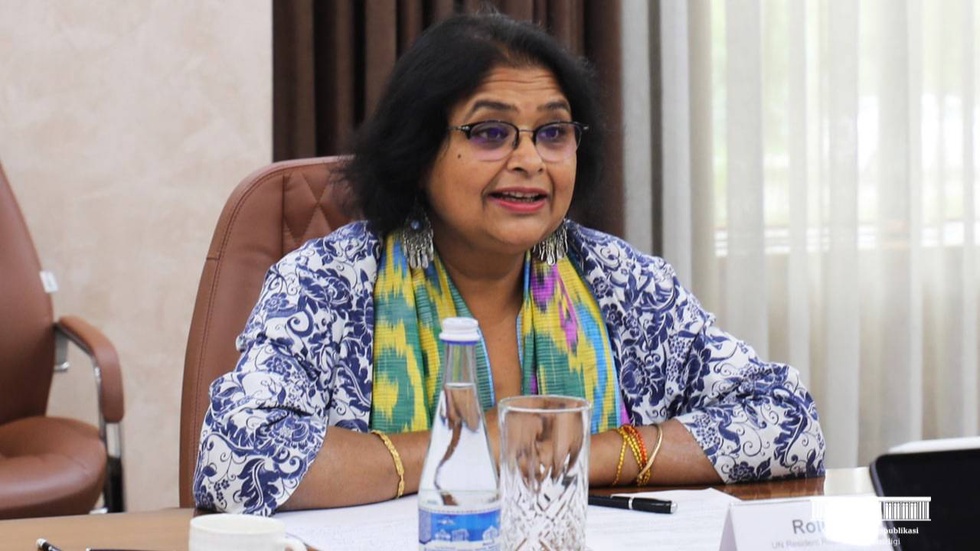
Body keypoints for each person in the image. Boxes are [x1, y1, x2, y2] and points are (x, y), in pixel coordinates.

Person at [193, 12, 825, 516]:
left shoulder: (619, 281)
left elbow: (788, 421)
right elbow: (235, 458)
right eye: (491, 132)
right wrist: (478, 445)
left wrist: (587, 452)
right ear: (419, 150)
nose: (530, 160)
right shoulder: (329, 282)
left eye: (553, 133)